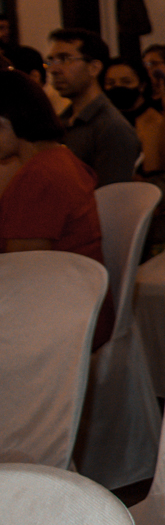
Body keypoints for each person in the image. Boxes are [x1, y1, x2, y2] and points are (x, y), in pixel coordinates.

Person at [0, 69, 110, 347]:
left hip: (60, 321)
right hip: (77, 305)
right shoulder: (58, 157)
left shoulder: (39, 176)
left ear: (9, 122)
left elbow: (22, 274)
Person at [46, 28, 141, 186]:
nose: (53, 70)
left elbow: (111, 195)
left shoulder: (111, 127)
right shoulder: (62, 121)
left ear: (94, 68)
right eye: (51, 61)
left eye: (65, 59)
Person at [102, 56, 165, 177]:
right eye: (111, 83)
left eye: (126, 82)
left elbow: (151, 169)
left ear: (142, 85)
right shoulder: (105, 118)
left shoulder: (153, 120)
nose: (118, 87)